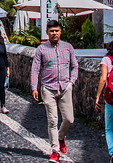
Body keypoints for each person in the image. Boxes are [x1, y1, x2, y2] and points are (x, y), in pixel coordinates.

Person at [30, 20, 78, 162]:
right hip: (48, 88)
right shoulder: (41, 49)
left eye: (56, 31)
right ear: (47, 32)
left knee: (69, 119)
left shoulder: (68, 47)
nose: (54, 33)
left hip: (65, 87)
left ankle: (61, 137)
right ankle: (55, 150)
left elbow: (75, 66)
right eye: (52, 31)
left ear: (60, 31)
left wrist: (71, 82)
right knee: (52, 121)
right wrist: (34, 87)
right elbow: (35, 69)